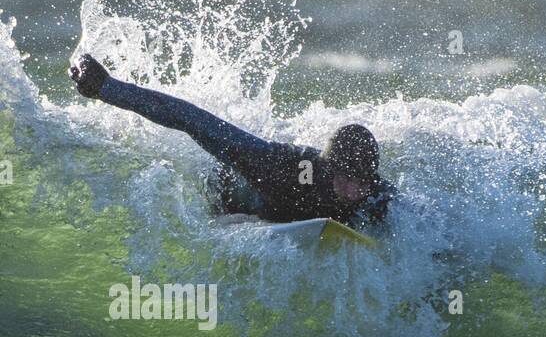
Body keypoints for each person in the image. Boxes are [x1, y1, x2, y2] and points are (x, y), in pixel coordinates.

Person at [69, 52, 393, 228]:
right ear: (328, 170)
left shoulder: (375, 194)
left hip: (289, 217)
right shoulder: (285, 168)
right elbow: (189, 120)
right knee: (238, 218)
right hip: (235, 198)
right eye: (347, 180)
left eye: (362, 183)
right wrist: (106, 89)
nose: (355, 192)